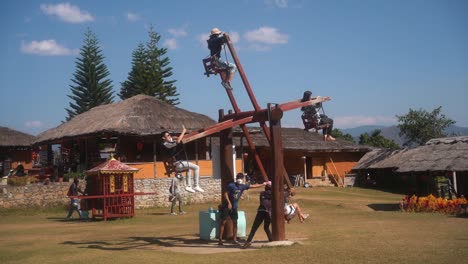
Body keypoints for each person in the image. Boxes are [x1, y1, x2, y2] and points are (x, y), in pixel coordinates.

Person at [218, 173, 267, 246]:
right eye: (238, 177)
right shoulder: (231, 185)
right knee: (223, 222)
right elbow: (225, 194)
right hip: (226, 206)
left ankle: (234, 240)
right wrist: (229, 203)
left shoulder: (243, 186)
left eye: (241, 178)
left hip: (234, 207)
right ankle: (220, 239)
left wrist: (263, 184)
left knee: (235, 223)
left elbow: (253, 186)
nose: (239, 179)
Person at [161, 126, 204, 193]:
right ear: (163, 138)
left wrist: (175, 137)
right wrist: (183, 131)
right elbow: (178, 141)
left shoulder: (167, 143)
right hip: (177, 164)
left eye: (169, 135)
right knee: (197, 167)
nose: (169, 136)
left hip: (177, 164)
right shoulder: (166, 144)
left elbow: (175, 140)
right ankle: (196, 185)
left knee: (188, 169)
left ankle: (188, 186)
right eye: (168, 136)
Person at [242, 181, 273, 249]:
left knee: (254, 228)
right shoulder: (273, 194)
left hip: (261, 211)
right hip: (268, 212)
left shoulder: (262, 193)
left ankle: (248, 242)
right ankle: (271, 239)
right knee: (266, 227)